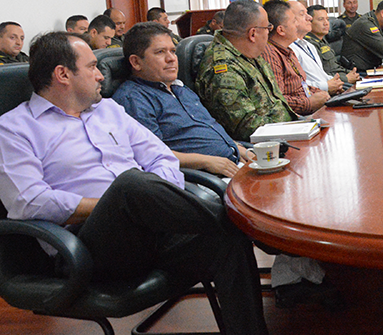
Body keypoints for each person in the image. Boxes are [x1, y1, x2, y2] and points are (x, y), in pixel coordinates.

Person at [0, 32, 269, 335]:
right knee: (129, 186)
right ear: (63, 74)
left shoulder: (109, 111)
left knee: (226, 242)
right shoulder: (14, 129)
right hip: (87, 248)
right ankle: (257, 224)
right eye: (91, 67)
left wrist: (154, 203)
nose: (101, 75)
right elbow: (28, 201)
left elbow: (162, 158)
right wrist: (118, 205)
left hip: (152, 227)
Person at [112, 22, 247, 178]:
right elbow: (155, 154)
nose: (171, 59)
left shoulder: (180, 88)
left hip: (234, 163)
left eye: (173, 51)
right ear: (136, 62)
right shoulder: (134, 99)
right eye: (160, 52)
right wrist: (207, 162)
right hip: (204, 178)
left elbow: (208, 127)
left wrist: (236, 146)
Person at [195, 0, 296, 142]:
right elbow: (247, 128)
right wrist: (293, 131)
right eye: (267, 28)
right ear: (253, 34)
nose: (269, 33)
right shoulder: (224, 68)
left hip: (286, 131)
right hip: (267, 146)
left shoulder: (249, 53)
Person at [261, 0, 330, 116]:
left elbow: (300, 86)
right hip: (297, 117)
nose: (297, 25)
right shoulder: (270, 54)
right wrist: (309, 102)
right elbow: (278, 100)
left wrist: (319, 93)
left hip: (312, 109)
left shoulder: (289, 51)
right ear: (281, 30)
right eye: (294, 22)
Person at [302, 5, 360, 84]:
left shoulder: (322, 40)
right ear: (309, 22)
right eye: (320, 19)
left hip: (342, 77)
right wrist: (346, 78)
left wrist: (351, 74)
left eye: (327, 19)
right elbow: (320, 75)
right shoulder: (309, 44)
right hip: (335, 83)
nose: (326, 23)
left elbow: (334, 67)